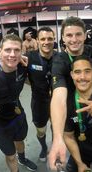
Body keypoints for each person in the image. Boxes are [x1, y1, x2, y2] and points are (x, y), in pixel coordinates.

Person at [48, 16, 92, 170]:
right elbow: (58, 96)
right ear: (63, 38)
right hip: (70, 107)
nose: (74, 39)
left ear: (85, 35)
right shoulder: (59, 60)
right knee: (70, 138)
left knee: (91, 139)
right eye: (69, 35)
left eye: (78, 34)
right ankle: (78, 162)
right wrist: (57, 137)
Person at [0, 34, 37, 172]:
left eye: (17, 50)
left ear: (21, 52)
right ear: (0, 51)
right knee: (10, 156)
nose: (12, 54)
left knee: (20, 140)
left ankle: (22, 159)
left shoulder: (23, 66)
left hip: (18, 115)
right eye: (8, 50)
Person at [26, 27, 57, 161]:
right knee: (41, 130)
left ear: (54, 40)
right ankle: (44, 148)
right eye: (43, 39)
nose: (46, 42)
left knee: (56, 129)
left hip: (57, 102)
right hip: (39, 102)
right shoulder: (29, 57)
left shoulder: (61, 57)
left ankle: (55, 150)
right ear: (37, 41)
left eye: (50, 38)